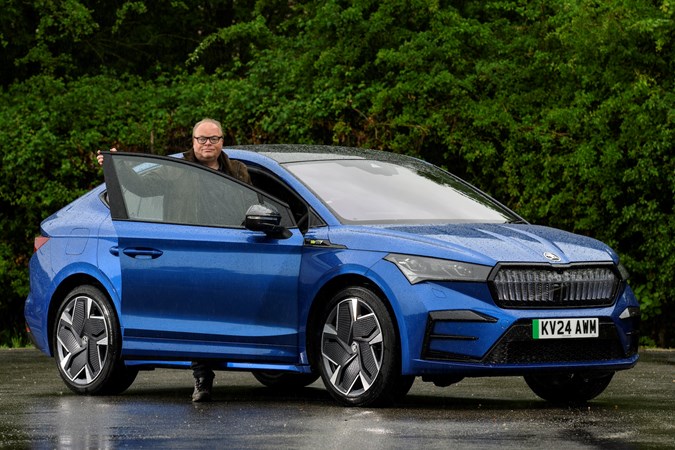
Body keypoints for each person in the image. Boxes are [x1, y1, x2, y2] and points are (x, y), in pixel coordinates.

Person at [97, 118, 251, 402]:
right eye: (202, 139)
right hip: (191, 250)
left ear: (222, 141)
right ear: (193, 141)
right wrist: (118, 166)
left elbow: (251, 204)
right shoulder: (177, 170)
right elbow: (141, 187)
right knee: (200, 314)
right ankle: (202, 378)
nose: (208, 144)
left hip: (233, 250)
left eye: (213, 139)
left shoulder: (238, 170)